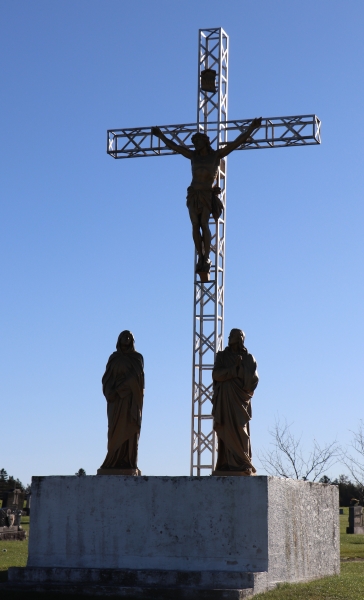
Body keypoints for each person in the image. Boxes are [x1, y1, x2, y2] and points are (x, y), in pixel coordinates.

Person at [152, 118, 262, 272]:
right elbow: (174, 147)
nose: (195, 144)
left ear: (205, 142)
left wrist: (251, 129)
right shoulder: (193, 156)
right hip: (194, 193)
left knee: (204, 223)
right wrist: (160, 135)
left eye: (198, 141)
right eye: (194, 142)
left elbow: (237, 142)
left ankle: (207, 256)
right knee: (195, 225)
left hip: (206, 193)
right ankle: (200, 255)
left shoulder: (216, 156)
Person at [212, 328, 259, 474]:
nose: (229, 337)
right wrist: (234, 369)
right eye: (230, 335)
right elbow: (216, 374)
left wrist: (240, 369)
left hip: (239, 399)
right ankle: (226, 463)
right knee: (225, 427)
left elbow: (253, 380)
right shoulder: (222, 356)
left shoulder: (248, 358)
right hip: (225, 398)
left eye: (233, 335)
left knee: (240, 427)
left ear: (240, 339)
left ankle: (243, 462)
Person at [99, 330, 144, 472]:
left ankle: (128, 462)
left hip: (130, 400)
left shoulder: (137, 358)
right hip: (116, 401)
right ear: (119, 339)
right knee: (114, 429)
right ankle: (113, 459)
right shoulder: (113, 358)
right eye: (124, 336)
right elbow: (107, 378)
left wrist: (122, 388)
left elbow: (137, 378)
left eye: (129, 336)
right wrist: (110, 392)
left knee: (130, 428)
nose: (127, 338)